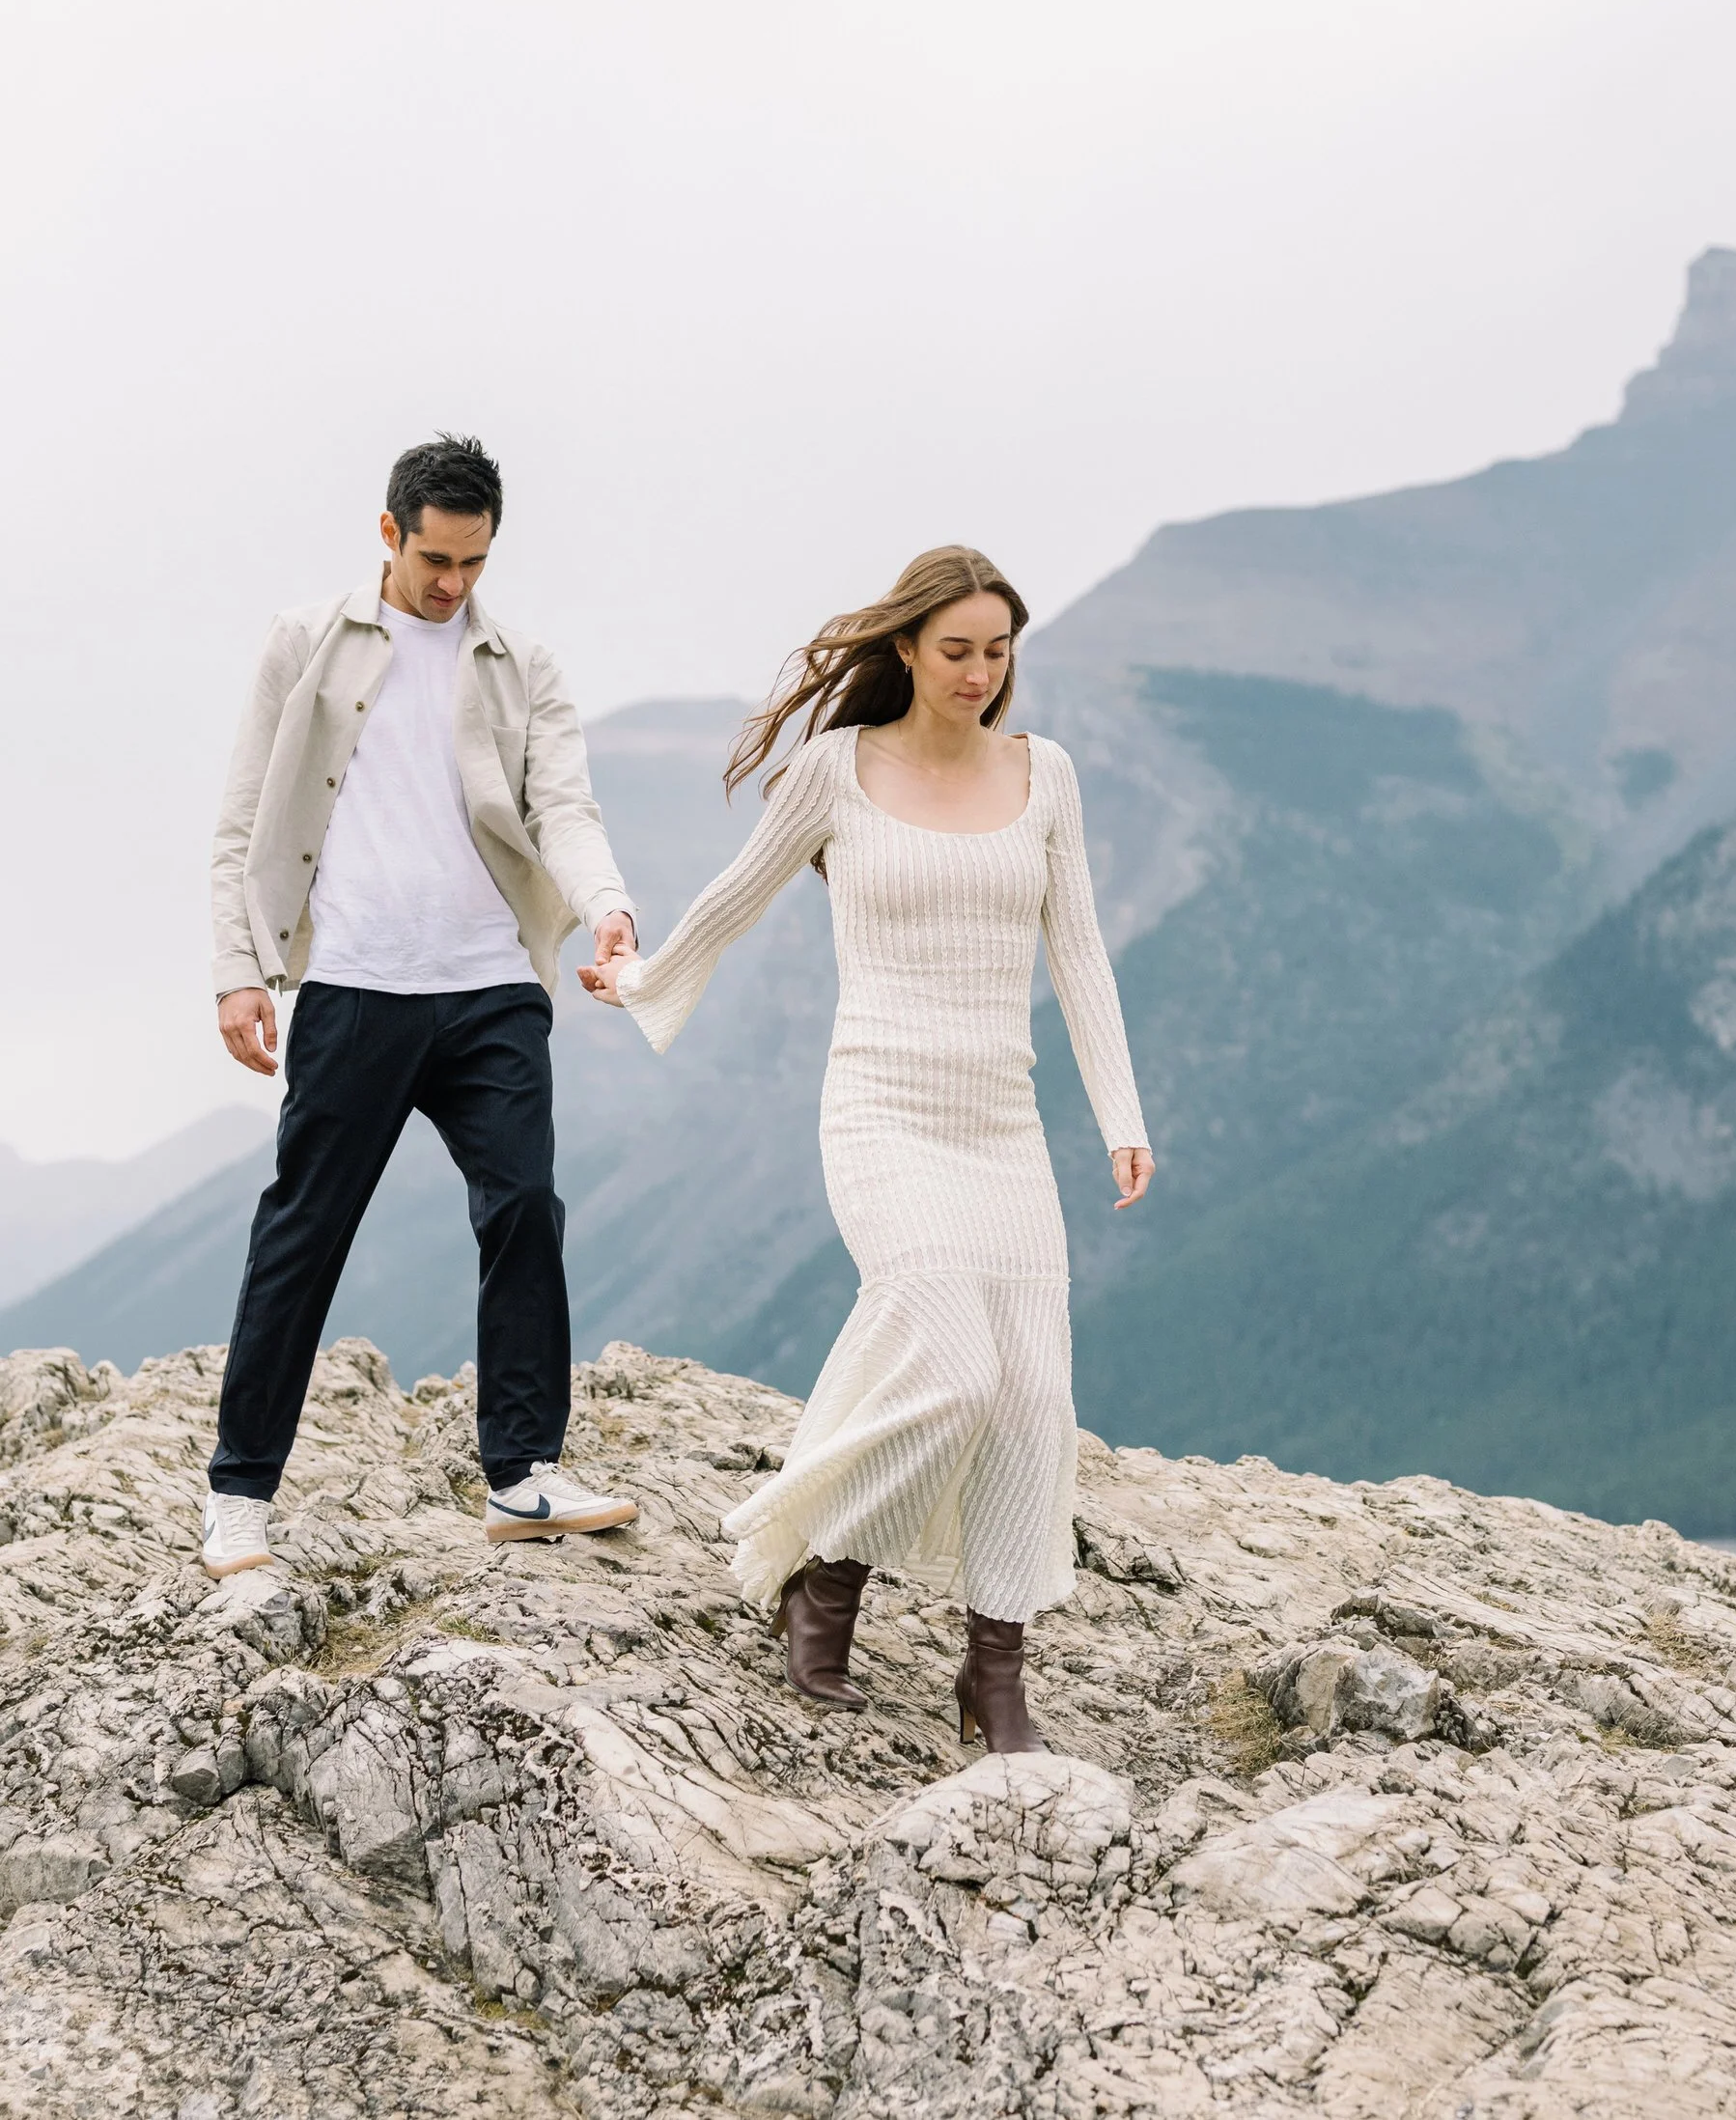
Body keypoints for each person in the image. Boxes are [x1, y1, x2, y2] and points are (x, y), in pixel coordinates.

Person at [581, 545, 1153, 1752]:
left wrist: (1122, 1118)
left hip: (1002, 1124)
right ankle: (824, 1574)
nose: (979, 674)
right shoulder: (835, 770)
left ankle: (995, 1673)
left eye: (998, 652)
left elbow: (1080, 950)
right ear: (906, 647)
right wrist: (638, 979)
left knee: (1032, 1396)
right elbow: (735, 897)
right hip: (882, 1109)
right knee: (954, 1370)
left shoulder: (1044, 774)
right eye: (957, 650)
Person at [204, 434, 640, 1577]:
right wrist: (239, 969)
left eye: (475, 562)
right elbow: (245, 819)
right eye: (436, 559)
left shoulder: (522, 664)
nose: (453, 583)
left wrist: (607, 906)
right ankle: (239, 1494)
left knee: (524, 1206)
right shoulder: (305, 641)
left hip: (490, 983)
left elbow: (565, 807)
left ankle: (523, 1473)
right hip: (355, 985)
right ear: (390, 533)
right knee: (304, 1232)